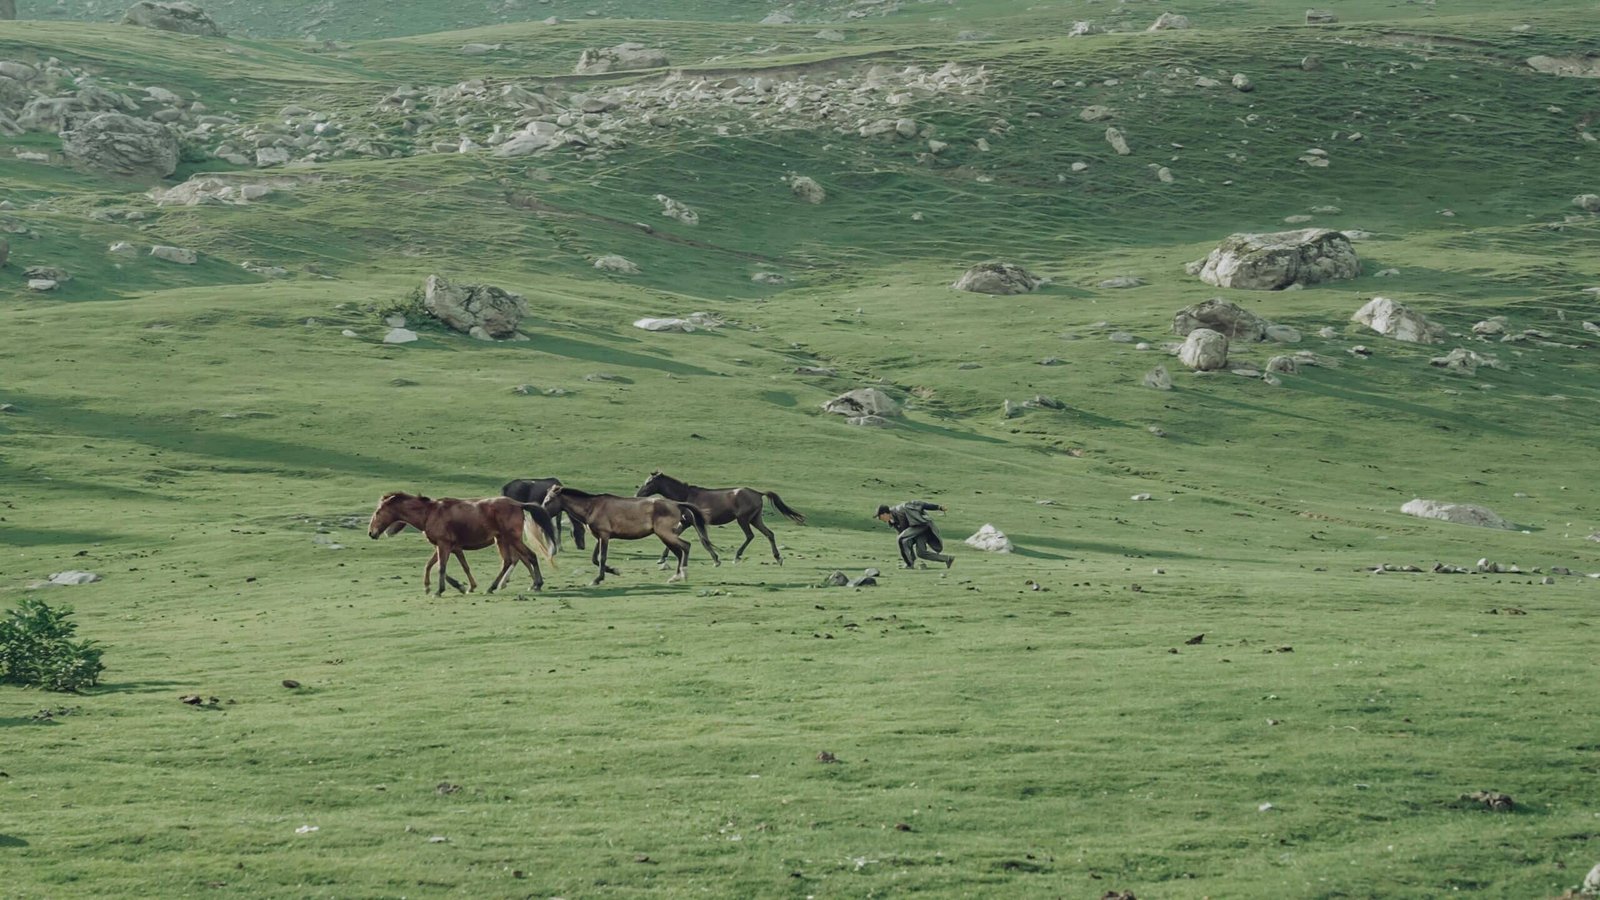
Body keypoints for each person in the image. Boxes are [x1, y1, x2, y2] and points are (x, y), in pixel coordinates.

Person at [876, 500, 953, 569]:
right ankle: (948, 559)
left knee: (900, 539)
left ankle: (909, 564)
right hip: (919, 532)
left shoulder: (901, 508)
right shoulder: (893, 521)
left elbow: (921, 504)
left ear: (884, 513)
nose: (880, 519)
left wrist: (938, 507)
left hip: (921, 526)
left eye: (880, 517)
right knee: (921, 553)